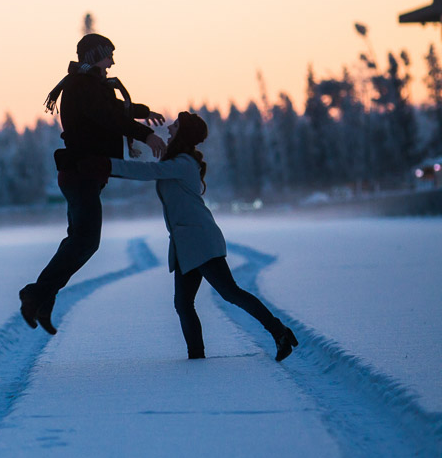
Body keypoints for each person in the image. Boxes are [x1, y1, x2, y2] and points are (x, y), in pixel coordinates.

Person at [83, 111, 298, 361]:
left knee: (230, 293)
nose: (170, 128)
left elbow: (148, 171)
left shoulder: (183, 163)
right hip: (186, 245)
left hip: (199, 241)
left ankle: (279, 332)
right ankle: (196, 358)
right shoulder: (178, 162)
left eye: (175, 126)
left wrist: (107, 165)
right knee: (183, 304)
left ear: (183, 134)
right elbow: (154, 170)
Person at [19, 33, 167, 333]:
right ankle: (37, 294)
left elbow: (111, 109)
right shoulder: (82, 85)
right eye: (108, 54)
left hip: (83, 174)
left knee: (79, 240)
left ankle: (43, 297)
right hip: (80, 174)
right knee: (86, 241)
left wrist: (142, 112)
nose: (113, 60)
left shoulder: (88, 85)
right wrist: (145, 134)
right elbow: (109, 116)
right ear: (95, 54)